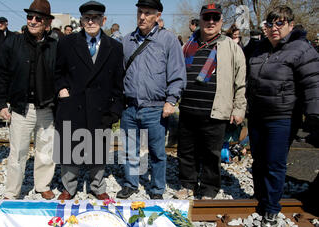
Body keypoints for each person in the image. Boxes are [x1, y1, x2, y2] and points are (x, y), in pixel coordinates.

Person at [246, 6, 319, 227]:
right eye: (271, 23)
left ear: (290, 24)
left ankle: (271, 208)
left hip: (283, 116)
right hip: (257, 115)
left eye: (280, 23)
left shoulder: (301, 49)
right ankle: (260, 198)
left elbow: (313, 81)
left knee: (275, 163)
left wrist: (314, 113)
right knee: (258, 161)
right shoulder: (259, 48)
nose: (274, 28)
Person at [175, 3, 247, 200]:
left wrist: (239, 108)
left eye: (215, 18)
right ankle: (187, 184)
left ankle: (209, 188)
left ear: (221, 21)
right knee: (186, 151)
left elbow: (241, 82)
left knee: (211, 152)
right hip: (188, 109)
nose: (211, 22)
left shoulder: (231, 47)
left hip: (215, 111)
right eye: (207, 18)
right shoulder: (188, 45)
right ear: (200, 20)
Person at [54, 1, 124, 201]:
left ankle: (97, 186)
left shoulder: (115, 47)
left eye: (95, 18)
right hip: (73, 105)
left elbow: (118, 82)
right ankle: (69, 187)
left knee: (98, 150)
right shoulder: (67, 43)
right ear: (82, 20)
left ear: (104, 20)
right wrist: (61, 89)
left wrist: (115, 110)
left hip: (101, 107)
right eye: (87, 18)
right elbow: (57, 72)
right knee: (70, 147)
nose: (91, 22)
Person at [117, 0, 186, 200]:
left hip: (155, 108)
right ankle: (131, 183)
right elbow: (120, 72)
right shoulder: (127, 41)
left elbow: (177, 73)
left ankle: (157, 189)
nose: (142, 17)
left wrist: (171, 100)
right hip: (129, 107)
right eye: (140, 12)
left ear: (158, 16)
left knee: (157, 153)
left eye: (148, 13)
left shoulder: (168, 40)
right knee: (130, 150)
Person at [0, 0, 57, 200]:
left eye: (38, 18)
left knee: (46, 150)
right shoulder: (12, 42)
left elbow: (62, 73)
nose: (32, 21)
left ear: (46, 22)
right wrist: (1, 103)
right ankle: (12, 191)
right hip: (22, 107)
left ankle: (42, 185)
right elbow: (2, 74)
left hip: (46, 107)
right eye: (30, 17)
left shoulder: (54, 45)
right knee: (18, 152)